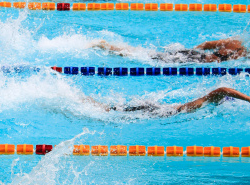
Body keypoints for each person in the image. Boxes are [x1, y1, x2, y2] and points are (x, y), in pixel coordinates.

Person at [81, 87, 250, 116]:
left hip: (160, 109)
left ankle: (90, 102)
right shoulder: (206, 101)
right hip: (160, 111)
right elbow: (223, 90)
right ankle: (87, 102)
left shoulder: (205, 103)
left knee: (113, 109)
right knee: (110, 110)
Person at [91, 38, 247, 63]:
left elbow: (206, 44)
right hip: (193, 60)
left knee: (149, 55)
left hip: (192, 55)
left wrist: (191, 51)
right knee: (148, 57)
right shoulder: (243, 49)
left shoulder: (236, 41)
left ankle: (108, 45)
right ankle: (105, 45)